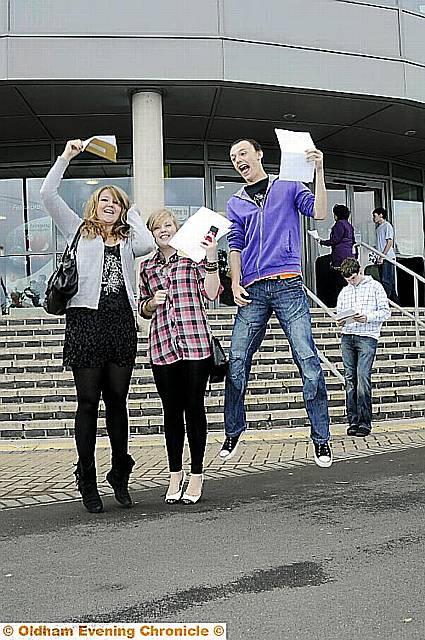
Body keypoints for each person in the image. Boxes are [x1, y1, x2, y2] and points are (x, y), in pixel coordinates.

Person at [40, 139, 155, 514]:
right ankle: (86, 477)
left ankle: (120, 472)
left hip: (120, 323)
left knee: (117, 401)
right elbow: (46, 193)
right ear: (94, 205)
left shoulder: (126, 239)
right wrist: (67, 157)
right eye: (105, 200)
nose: (110, 205)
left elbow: (150, 242)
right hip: (85, 322)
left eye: (116, 202)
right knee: (88, 402)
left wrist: (134, 211)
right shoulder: (78, 227)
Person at [219, 138, 332, 468]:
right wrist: (234, 281)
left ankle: (321, 439)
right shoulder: (236, 202)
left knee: (308, 359)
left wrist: (320, 171)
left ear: (258, 155)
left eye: (242, 153)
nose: (238, 159)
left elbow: (320, 212)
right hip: (252, 290)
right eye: (232, 156)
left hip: (287, 285)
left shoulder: (288, 185)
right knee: (237, 359)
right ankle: (233, 430)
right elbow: (236, 246)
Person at [139, 209, 221, 505]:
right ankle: (175, 473)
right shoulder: (147, 267)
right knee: (171, 412)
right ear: (152, 233)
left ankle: (197, 474)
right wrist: (151, 302)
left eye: (168, 225)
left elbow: (212, 294)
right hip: (162, 345)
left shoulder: (193, 256)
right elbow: (142, 308)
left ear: (177, 228)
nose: (164, 230)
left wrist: (211, 257)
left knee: (194, 408)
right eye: (158, 227)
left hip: (195, 343)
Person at [337, 258, 390, 437]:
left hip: (367, 336)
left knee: (362, 378)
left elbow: (386, 311)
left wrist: (367, 317)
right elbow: (339, 315)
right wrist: (341, 321)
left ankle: (365, 423)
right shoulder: (344, 291)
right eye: (347, 279)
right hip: (348, 336)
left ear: (360, 271)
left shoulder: (375, 287)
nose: (350, 281)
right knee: (350, 379)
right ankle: (353, 421)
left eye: (352, 278)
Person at [318, 203, 356, 306]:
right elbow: (353, 241)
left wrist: (321, 241)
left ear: (337, 214)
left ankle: (339, 304)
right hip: (349, 255)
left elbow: (334, 240)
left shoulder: (339, 224)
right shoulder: (349, 225)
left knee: (338, 281)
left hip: (339, 256)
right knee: (347, 280)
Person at [372, 207, 398, 303]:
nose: (373, 218)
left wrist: (382, 256)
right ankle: (395, 303)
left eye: (375, 216)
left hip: (388, 258)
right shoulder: (378, 229)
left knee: (386, 281)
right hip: (381, 258)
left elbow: (389, 242)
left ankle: (385, 303)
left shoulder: (387, 226)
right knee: (386, 281)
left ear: (381, 215)